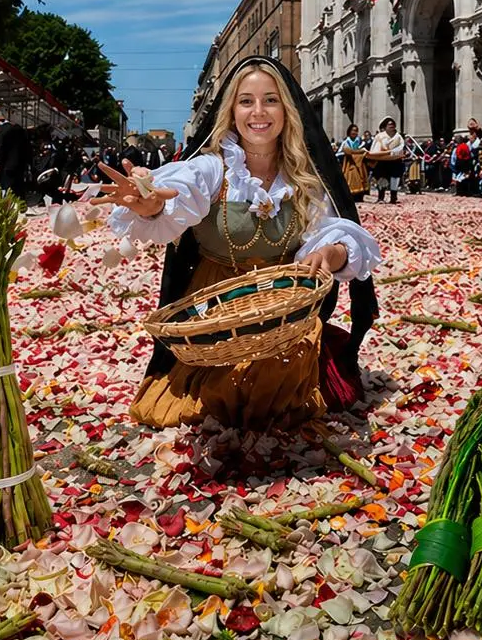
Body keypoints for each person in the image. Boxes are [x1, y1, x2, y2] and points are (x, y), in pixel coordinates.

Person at [97, 57, 381, 436]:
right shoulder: (214, 169)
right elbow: (181, 194)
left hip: (284, 307)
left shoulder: (304, 178)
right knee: (229, 389)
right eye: (246, 101)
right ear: (231, 110)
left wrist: (330, 253)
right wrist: (153, 205)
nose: (258, 112)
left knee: (278, 376)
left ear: (288, 110)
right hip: (218, 304)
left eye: (271, 100)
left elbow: (334, 233)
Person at [368, 116, 406, 204]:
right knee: (382, 178)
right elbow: (375, 148)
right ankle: (381, 197)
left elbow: (401, 147)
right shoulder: (380, 136)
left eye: (393, 124)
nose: (391, 126)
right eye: (389, 124)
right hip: (383, 161)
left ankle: (393, 197)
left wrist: (394, 153)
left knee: (395, 178)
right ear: (385, 126)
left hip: (395, 161)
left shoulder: (398, 137)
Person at [338, 123, 369, 200]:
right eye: (353, 130)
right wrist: (350, 152)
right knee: (351, 179)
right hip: (349, 164)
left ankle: (360, 196)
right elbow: (339, 153)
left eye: (356, 131)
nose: (354, 132)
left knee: (361, 179)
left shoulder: (359, 142)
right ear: (349, 131)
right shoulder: (346, 142)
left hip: (359, 164)